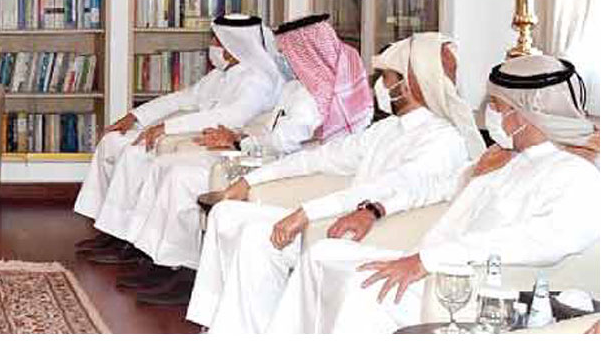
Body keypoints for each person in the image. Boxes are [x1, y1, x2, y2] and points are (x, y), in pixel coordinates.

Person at [275, 55, 601, 334]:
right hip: (434, 260)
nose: (490, 113)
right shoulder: (507, 159)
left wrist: (428, 260)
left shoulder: (575, 174)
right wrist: (374, 210)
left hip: (470, 284)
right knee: (323, 253)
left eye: (497, 107)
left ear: (524, 114)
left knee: (364, 291)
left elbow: (539, 242)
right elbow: (434, 186)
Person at [186, 33, 481, 333]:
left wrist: (308, 213)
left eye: (387, 77)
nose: (380, 85)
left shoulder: (443, 140)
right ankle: (221, 326)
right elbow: (322, 158)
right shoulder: (389, 129)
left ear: (408, 85)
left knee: (258, 237)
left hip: (378, 231)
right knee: (231, 216)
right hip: (341, 217)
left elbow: (393, 188)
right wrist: (250, 180)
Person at [117, 14, 372, 307]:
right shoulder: (295, 88)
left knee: (181, 177)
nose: (282, 58)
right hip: (264, 157)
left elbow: (285, 142)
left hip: (285, 171)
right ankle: (160, 260)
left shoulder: (314, 98)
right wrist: (238, 137)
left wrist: (239, 141)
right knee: (172, 169)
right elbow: (271, 132)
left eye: (287, 53)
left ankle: (183, 270)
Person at [76, 14, 283, 261]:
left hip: (213, 143)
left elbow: (231, 118)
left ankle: (129, 240)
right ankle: (111, 228)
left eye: (217, 40)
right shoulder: (221, 74)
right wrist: (134, 116)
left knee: (135, 154)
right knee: (112, 141)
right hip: (187, 134)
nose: (213, 46)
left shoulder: (258, 80)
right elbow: (183, 98)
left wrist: (168, 127)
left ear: (234, 44)